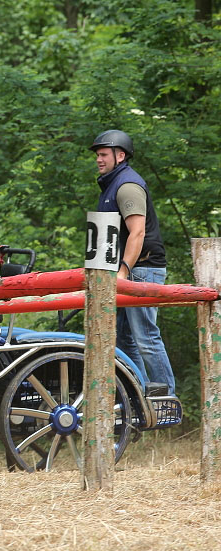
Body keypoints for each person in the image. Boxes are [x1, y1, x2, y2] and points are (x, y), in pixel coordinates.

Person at [90, 129, 175, 394]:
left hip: (141, 269)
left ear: (120, 155)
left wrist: (124, 271)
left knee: (146, 338)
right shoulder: (112, 184)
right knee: (124, 339)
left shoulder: (127, 185)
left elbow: (137, 232)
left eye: (103, 154)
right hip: (128, 270)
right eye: (98, 155)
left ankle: (167, 399)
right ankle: (142, 395)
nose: (98, 159)